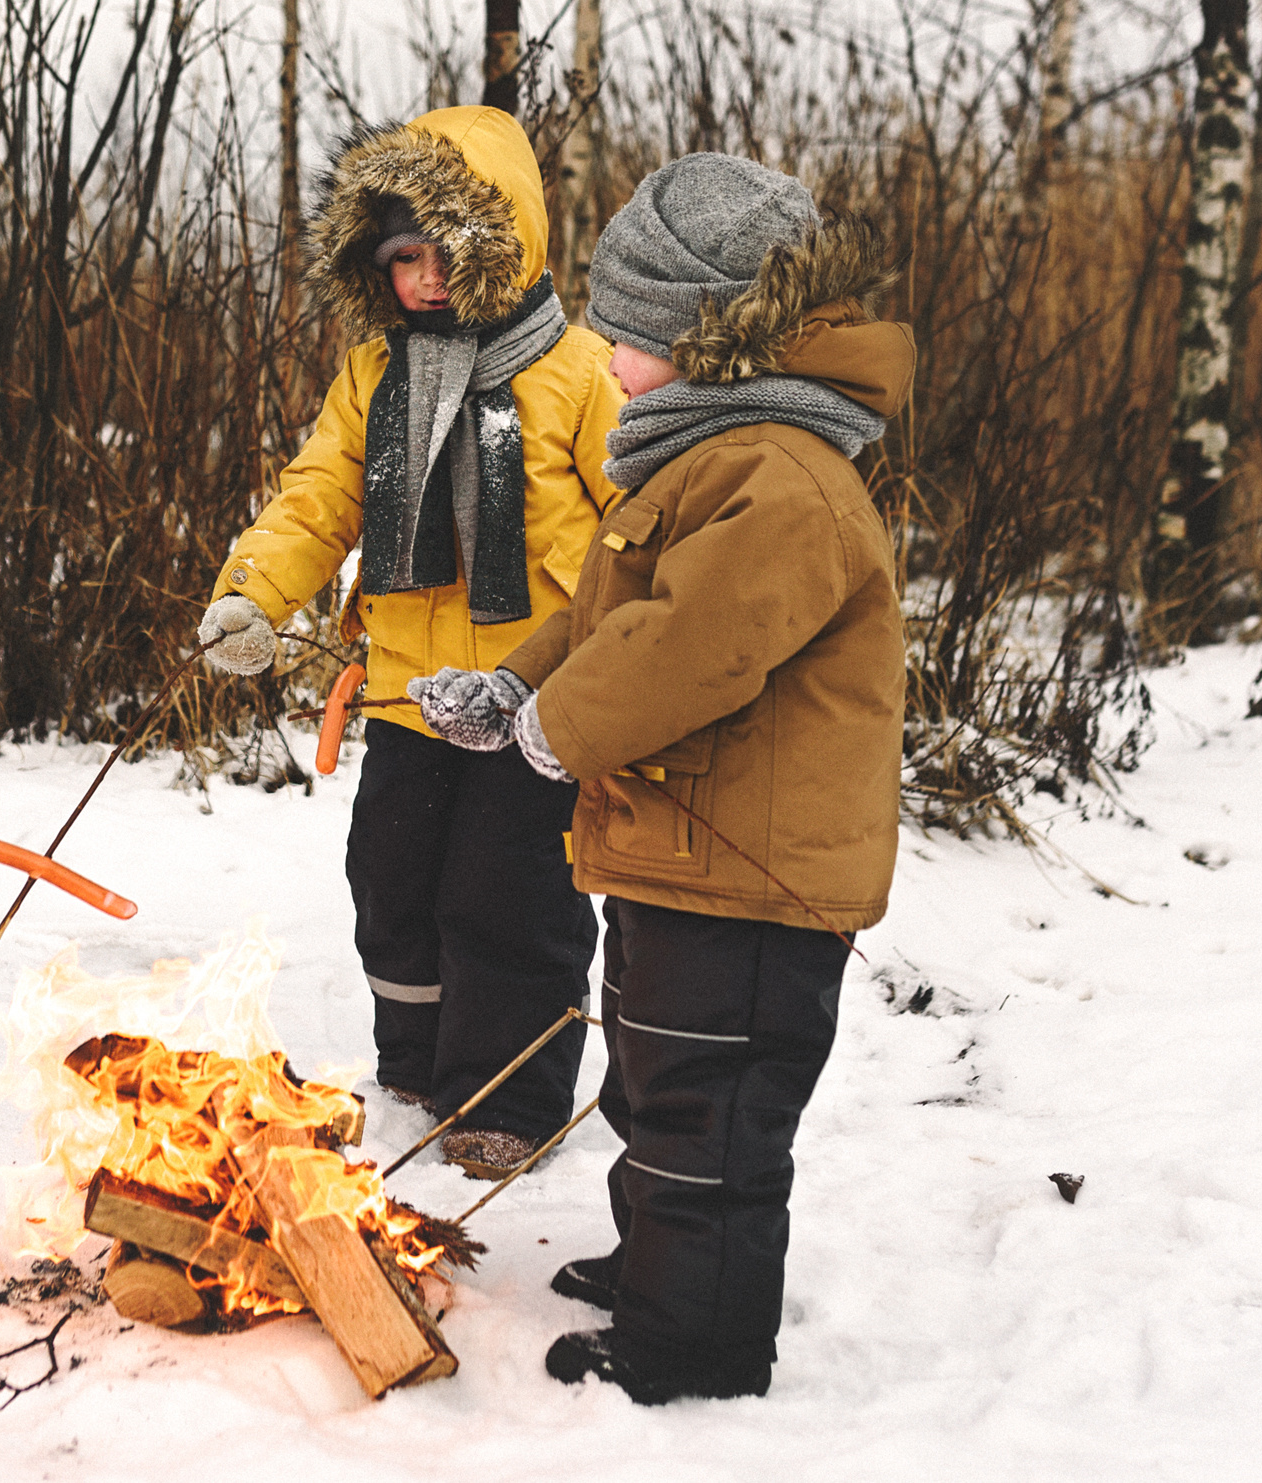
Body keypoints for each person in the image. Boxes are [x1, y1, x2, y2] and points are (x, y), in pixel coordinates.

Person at [413, 152, 913, 1404]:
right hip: (677, 852)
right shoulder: (702, 458)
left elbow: (692, 648)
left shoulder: (784, 477)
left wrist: (561, 733)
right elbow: (609, 610)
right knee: (649, 1084)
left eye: (626, 335)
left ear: (710, 339)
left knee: (711, 1117)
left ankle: (693, 1345)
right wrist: (518, 687)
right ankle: (661, 1266)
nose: (608, 358)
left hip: (750, 878)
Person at [196, 106, 625, 1176]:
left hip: (534, 705)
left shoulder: (576, 373)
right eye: (398, 260)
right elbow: (318, 497)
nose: (422, 279)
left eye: (440, 251)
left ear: (499, 238)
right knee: (391, 879)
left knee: (509, 897)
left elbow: (639, 525)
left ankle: (507, 1100)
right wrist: (255, 594)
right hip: (405, 694)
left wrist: (625, 651)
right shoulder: (376, 375)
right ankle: (419, 1059)